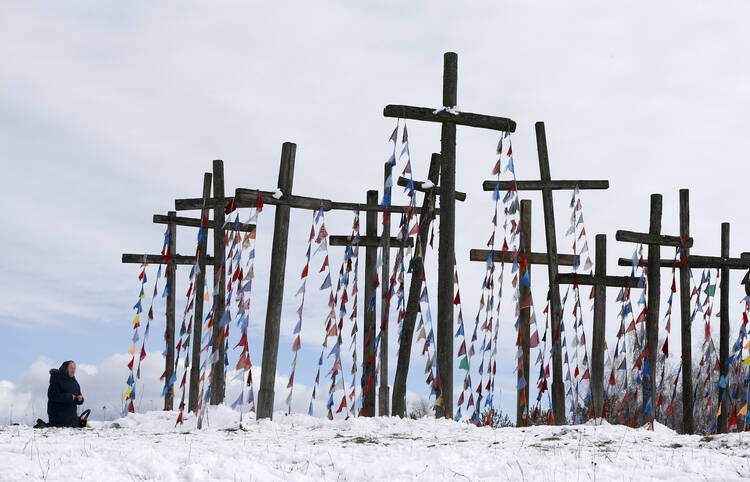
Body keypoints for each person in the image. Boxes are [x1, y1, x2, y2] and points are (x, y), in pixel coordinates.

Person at [47, 360, 84, 427]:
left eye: (74, 368)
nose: (73, 370)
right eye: (71, 368)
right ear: (65, 368)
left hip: (72, 420)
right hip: (58, 420)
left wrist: (80, 399)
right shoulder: (56, 378)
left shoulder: (74, 382)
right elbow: (52, 396)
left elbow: (78, 395)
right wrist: (68, 397)